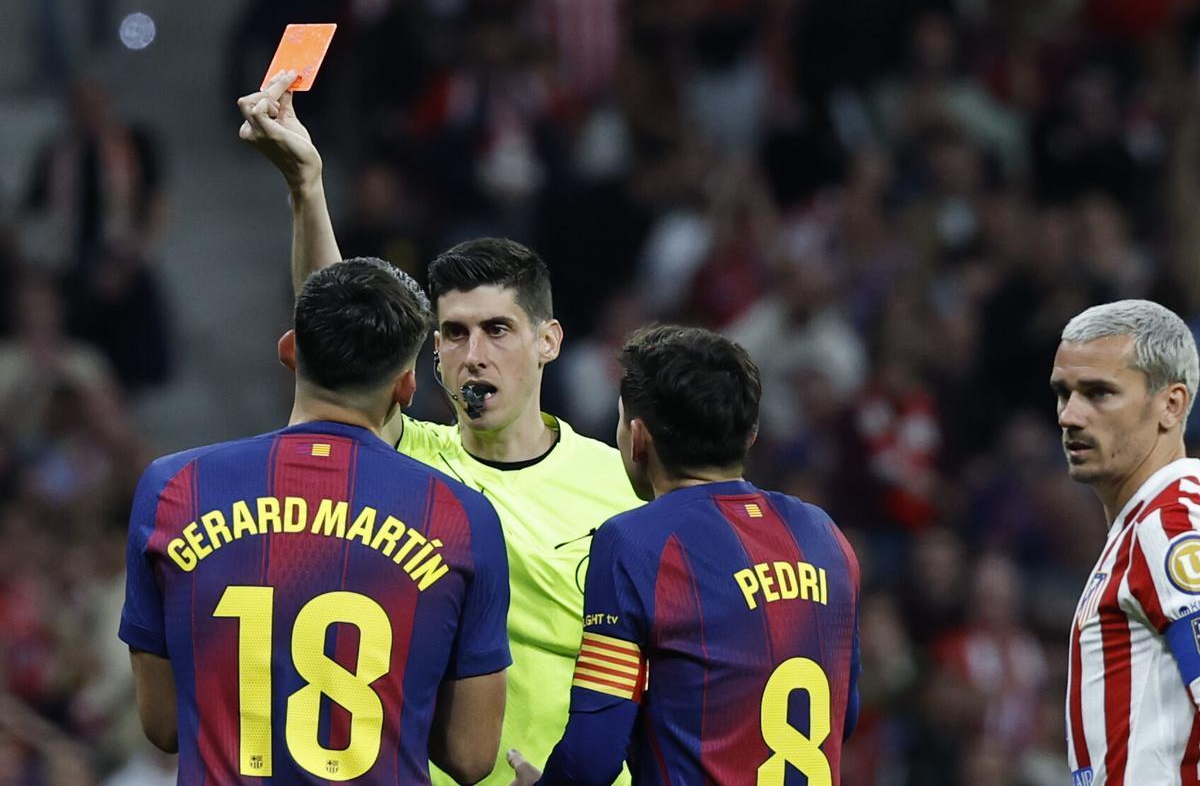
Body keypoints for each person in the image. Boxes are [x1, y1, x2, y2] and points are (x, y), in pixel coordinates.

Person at [237, 73, 642, 785]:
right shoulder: (410, 462)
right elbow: (337, 333)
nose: (473, 353)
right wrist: (307, 187)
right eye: (454, 334)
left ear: (548, 341)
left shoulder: (623, 487)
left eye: (497, 330)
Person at [118, 258, 511, 784]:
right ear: (406, 386)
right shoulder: (463, 517)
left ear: (288, 351)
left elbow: (163, 724)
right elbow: (471, 756)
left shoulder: (172, 489)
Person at [508, 325, 862, 784]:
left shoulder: (636, 542)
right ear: (750, 434)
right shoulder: (825, 536)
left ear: (638, 437)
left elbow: (592, 758)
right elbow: (843, 715)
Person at [1051, 299, 1200, 785]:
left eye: (1099, 393)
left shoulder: (1172, 524)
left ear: (1171, 405)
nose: (1069, 416)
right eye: (1063, 393)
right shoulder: (1150, 521)